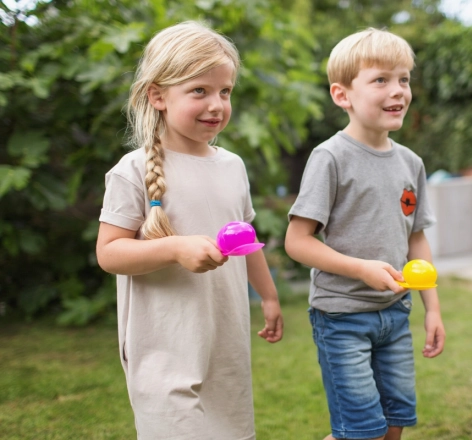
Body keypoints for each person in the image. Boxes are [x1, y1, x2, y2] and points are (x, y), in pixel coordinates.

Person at [95, 21, 283, 440]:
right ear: (158, 95)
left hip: (224, 342)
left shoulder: (232, 165)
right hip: (164, 346)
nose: (216, 104)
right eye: (199, 90)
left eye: (225, 91)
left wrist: (269, 296)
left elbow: (244, 238)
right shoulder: (134, 170)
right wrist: (174, 248)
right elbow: (109, 253)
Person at [284, 28, 446, 440]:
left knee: (393, 428)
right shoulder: (330, 158)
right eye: (381, 80)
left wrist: (433, 309)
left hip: (395, 314)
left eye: (404, 79)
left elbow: (416, 240)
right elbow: (297, 242)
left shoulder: (412, 163)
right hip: (342, 317)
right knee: (361, 432)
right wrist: (360, 269)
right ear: (343, 95)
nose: (398, 91)